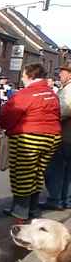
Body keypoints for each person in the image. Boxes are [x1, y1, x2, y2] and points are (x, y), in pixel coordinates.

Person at [0, 63, 62, 220]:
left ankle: (20, 211)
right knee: (37, 173)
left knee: (22, 174)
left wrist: (5, 127)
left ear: (29, 76)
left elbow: (8, 116)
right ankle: (32, 209)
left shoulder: (25, 94)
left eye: (23, 75)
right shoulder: (51, 94)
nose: (22, 77)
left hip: (28, 137)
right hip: (52, 137)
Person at [44, 63, 71, 210]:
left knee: (56, 169)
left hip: (65, 136)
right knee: (67, 171)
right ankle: (66, 200)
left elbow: (65, 110)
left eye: (63, 72)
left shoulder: (69, 90)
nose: (60, 74)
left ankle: (55, 199)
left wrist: (47, 117)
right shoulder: (65, 88)